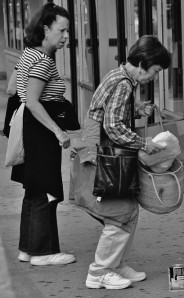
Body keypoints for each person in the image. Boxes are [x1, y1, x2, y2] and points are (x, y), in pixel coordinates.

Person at [71, 35, 171, 290]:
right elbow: (114, 126)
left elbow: (109, 111)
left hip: (101, 156)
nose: (154, 77)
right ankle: (100, 271)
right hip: (104, 159)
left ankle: (116, 263)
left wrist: (137, 109)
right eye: (156, 71)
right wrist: (144, 143)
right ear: (143, 63)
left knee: (127, 210)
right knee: (120, 212)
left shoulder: (118, 77)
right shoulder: (124, 84)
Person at [11, 3, 77, 266]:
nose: (65, 37)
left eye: (67, 31)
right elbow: (34, 101)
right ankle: (44, 252)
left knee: (34, 189)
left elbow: (11, 89)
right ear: (46, 27)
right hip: (41, 130)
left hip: (30, 128)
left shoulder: (28, 55)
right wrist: (58, 132)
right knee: (45, 189)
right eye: (61, 30)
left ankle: (28, 248)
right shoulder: (42, 60)